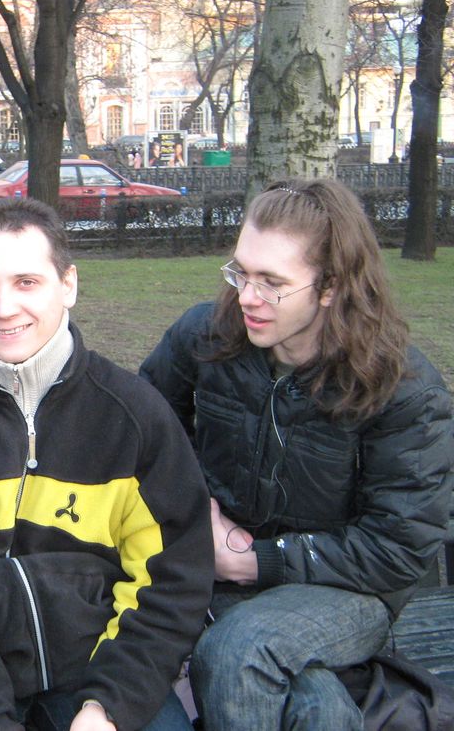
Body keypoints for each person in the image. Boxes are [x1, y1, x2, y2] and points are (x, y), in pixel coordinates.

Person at [0, 197, 215, 731]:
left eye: (26, 282)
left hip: (100, 673)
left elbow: (171, 580)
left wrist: (107, 706)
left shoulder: (135, 417)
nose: (4, 307)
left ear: (68, 285)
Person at [139, 178, 454, 730]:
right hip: (217, 568)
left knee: (240, 649)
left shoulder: (401, 388)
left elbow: (399, 547)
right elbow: (145, 430)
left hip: (347, 589)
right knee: (309, 701)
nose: (247, 297)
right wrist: (195, 510)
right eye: (241, 273)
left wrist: (253, 560)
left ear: (330, 286)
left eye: (272, 283)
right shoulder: (205, 337)